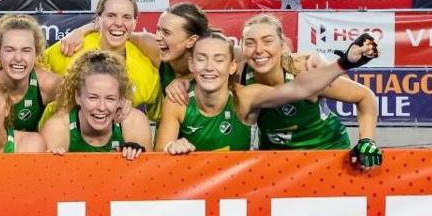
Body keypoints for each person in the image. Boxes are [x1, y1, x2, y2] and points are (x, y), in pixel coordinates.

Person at [156, 31, 378, 154]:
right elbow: (157, 157)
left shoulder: (246, 97)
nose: (209, 67)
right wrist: (170, 148)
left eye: (219, 60)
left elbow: (299, 87)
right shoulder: (178, 99)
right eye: (201, 59)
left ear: (232, 66)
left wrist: (343, 63)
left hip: (240, 187)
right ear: (191, 65)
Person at [241, 15, 380, 167]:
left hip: (327, 152)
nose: (258, 50)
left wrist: (366, 141)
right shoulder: (239, 72)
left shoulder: (304, 69)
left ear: (282, 44)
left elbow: (365, 96)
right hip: (277, 159)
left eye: (267, 41)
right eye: (250, 43)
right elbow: (222, 47)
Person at [42, 0, 160, 121]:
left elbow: (162, 113)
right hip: (58, 129)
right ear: (98, 19)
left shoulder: (145, 71)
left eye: (126, 17)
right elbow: (32, 76)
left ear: (135, 22)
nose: (119, 23)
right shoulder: (71, 47)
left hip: (113, 132)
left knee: (135, 118)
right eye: (111, 15)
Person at [39, 51, 152, 159]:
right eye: (93, 98)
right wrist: (56, 160)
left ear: (121, 99)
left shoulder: (134, 120)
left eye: (110, 99)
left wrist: (132, 153)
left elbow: (145, 168)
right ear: (78, 96)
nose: (102, 107)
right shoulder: (57, 127)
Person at [0, 14, 62, 132]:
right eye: (10, 50)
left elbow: (85, 95)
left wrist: (80, 31)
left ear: (36, 53)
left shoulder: (47, 84)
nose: (18, 58)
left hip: (27, 144)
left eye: (26, 50)